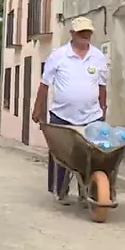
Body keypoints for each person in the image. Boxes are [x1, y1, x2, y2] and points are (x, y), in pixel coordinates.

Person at [31, 17, 108, 205]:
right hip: (61, 115)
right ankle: (60, 190)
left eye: (88, 33)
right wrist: (37, 108)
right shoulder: (58, 55)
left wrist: (103, 109)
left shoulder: (98, 56)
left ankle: (86, 191)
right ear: (72, 34)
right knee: (61, 154)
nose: (85, 36)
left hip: (91, 116)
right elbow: (45, 84)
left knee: (90, 156)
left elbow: (102, 86)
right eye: (81, 33)